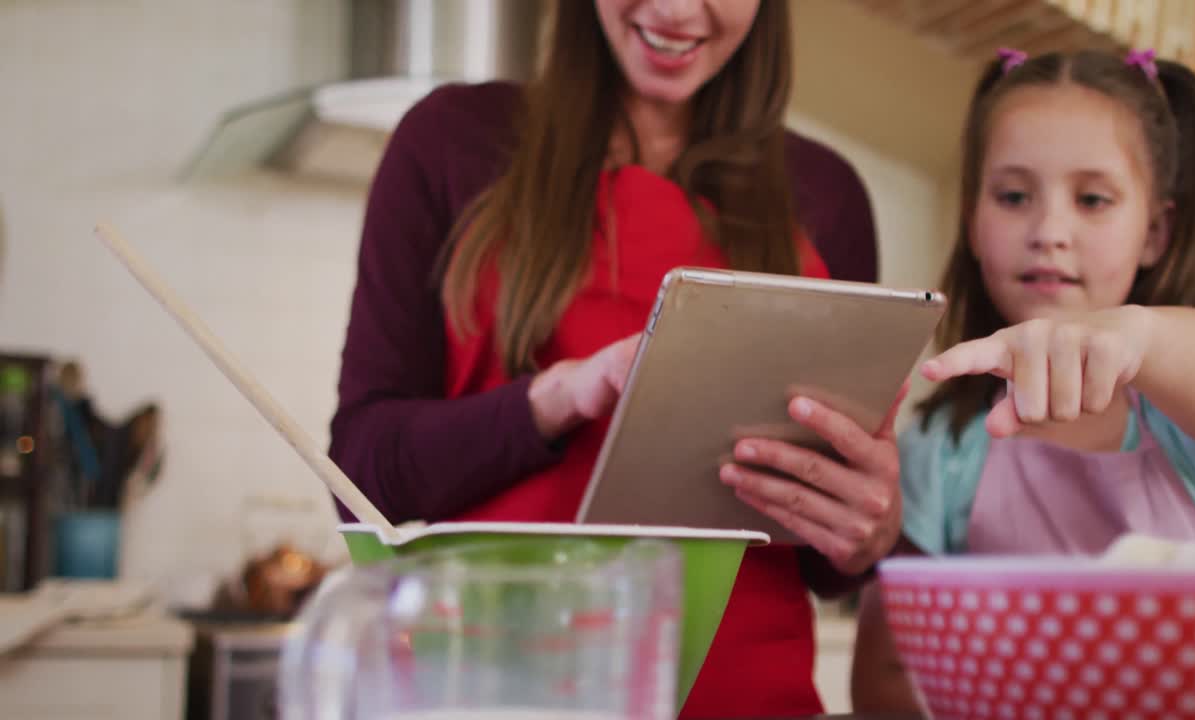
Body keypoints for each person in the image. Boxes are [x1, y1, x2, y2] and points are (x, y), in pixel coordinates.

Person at [329, 1, 906, 716]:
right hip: (493, 695)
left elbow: (823, 567)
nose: (673, 8)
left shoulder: (829, 195)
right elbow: (357, 475)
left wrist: (867, 531)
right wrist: (553, 401)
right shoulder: (451, 140)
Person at [851, 47, 1195, 712]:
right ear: (972, 221)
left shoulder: (1185, 405)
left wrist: (1139, 335)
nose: (1049, 231)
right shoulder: (945, 443)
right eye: (1014, 196)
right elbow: (888, 671)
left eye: (1093, 199)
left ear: (1156, 234)